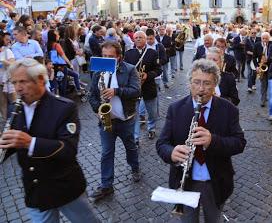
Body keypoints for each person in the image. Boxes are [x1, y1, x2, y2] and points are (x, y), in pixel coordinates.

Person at [0, 58, 99, 223]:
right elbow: (14, 142)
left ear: (40, 80)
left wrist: (30, 143)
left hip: (65, 188)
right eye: (14, 82)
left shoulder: (64, 107)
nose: (18, 88)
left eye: (23, 82)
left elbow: (68, 149)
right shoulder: (16, 108)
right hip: (36, 191)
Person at [156, 59, 246, 222]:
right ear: (190, 82)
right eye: (196, 82)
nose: (201, 89)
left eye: (207, 83)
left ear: (215, 85)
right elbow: (161, 144)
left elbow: (239, 143)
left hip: (216, 182)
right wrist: (172, 152)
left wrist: (213, 141)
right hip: (186, 184)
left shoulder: (229, 109)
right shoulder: (175, 109)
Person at [88, 41, 141, 201]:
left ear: (119, 57)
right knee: (106, 153)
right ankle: (106, 186)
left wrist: (116, 91)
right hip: (106, 121)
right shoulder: (98, 70)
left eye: (111, 57)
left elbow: (136, 91)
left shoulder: (130, 69)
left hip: (125, 119)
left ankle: (135, 167)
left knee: (130, 147)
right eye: (104, 56)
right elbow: (92, 95)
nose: (107, 59)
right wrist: (97, 109)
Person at [125, 31, 162, 141]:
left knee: (152, 112)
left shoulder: (152, 52)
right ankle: (136, 138)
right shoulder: (128, 53)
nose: (138, 39)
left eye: (140, 37)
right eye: (136, 38)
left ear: (145, 39)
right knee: (135, 114)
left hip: (149, 87)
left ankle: (151, 128)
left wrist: (148, 75)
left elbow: (158, 69)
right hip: (134, 88)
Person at [0, 34, 16, 121]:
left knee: (13, 102)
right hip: (0, 83)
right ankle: (5, 126)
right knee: (2, 105)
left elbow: (13, 64)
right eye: (6, 40)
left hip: (8, 82)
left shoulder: (7, 51)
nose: (8, 41)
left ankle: (13, 122)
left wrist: (3, 60)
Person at [253, 32, 271, 107]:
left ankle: (266, 96)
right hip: (261, 67)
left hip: (270, 66)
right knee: (263, 84)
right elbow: (254, 57)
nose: (264, 40)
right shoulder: (257, 45)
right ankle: (263, 100)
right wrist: (256, 66)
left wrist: (269, 59)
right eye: (263, 38)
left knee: (269, 83)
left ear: (269, 39)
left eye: (266, 39)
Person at [245, 28, 260, 92]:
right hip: (249, 59)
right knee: (249, 73)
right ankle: (249, 87)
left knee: (254, 73)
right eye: (252, 33)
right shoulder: (247, 40)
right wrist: (254, 53)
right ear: (250, 33)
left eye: (255, 33)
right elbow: (246, 51)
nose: (253, 34)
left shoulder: (259, 39)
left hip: (257, 60)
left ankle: (253, 84)